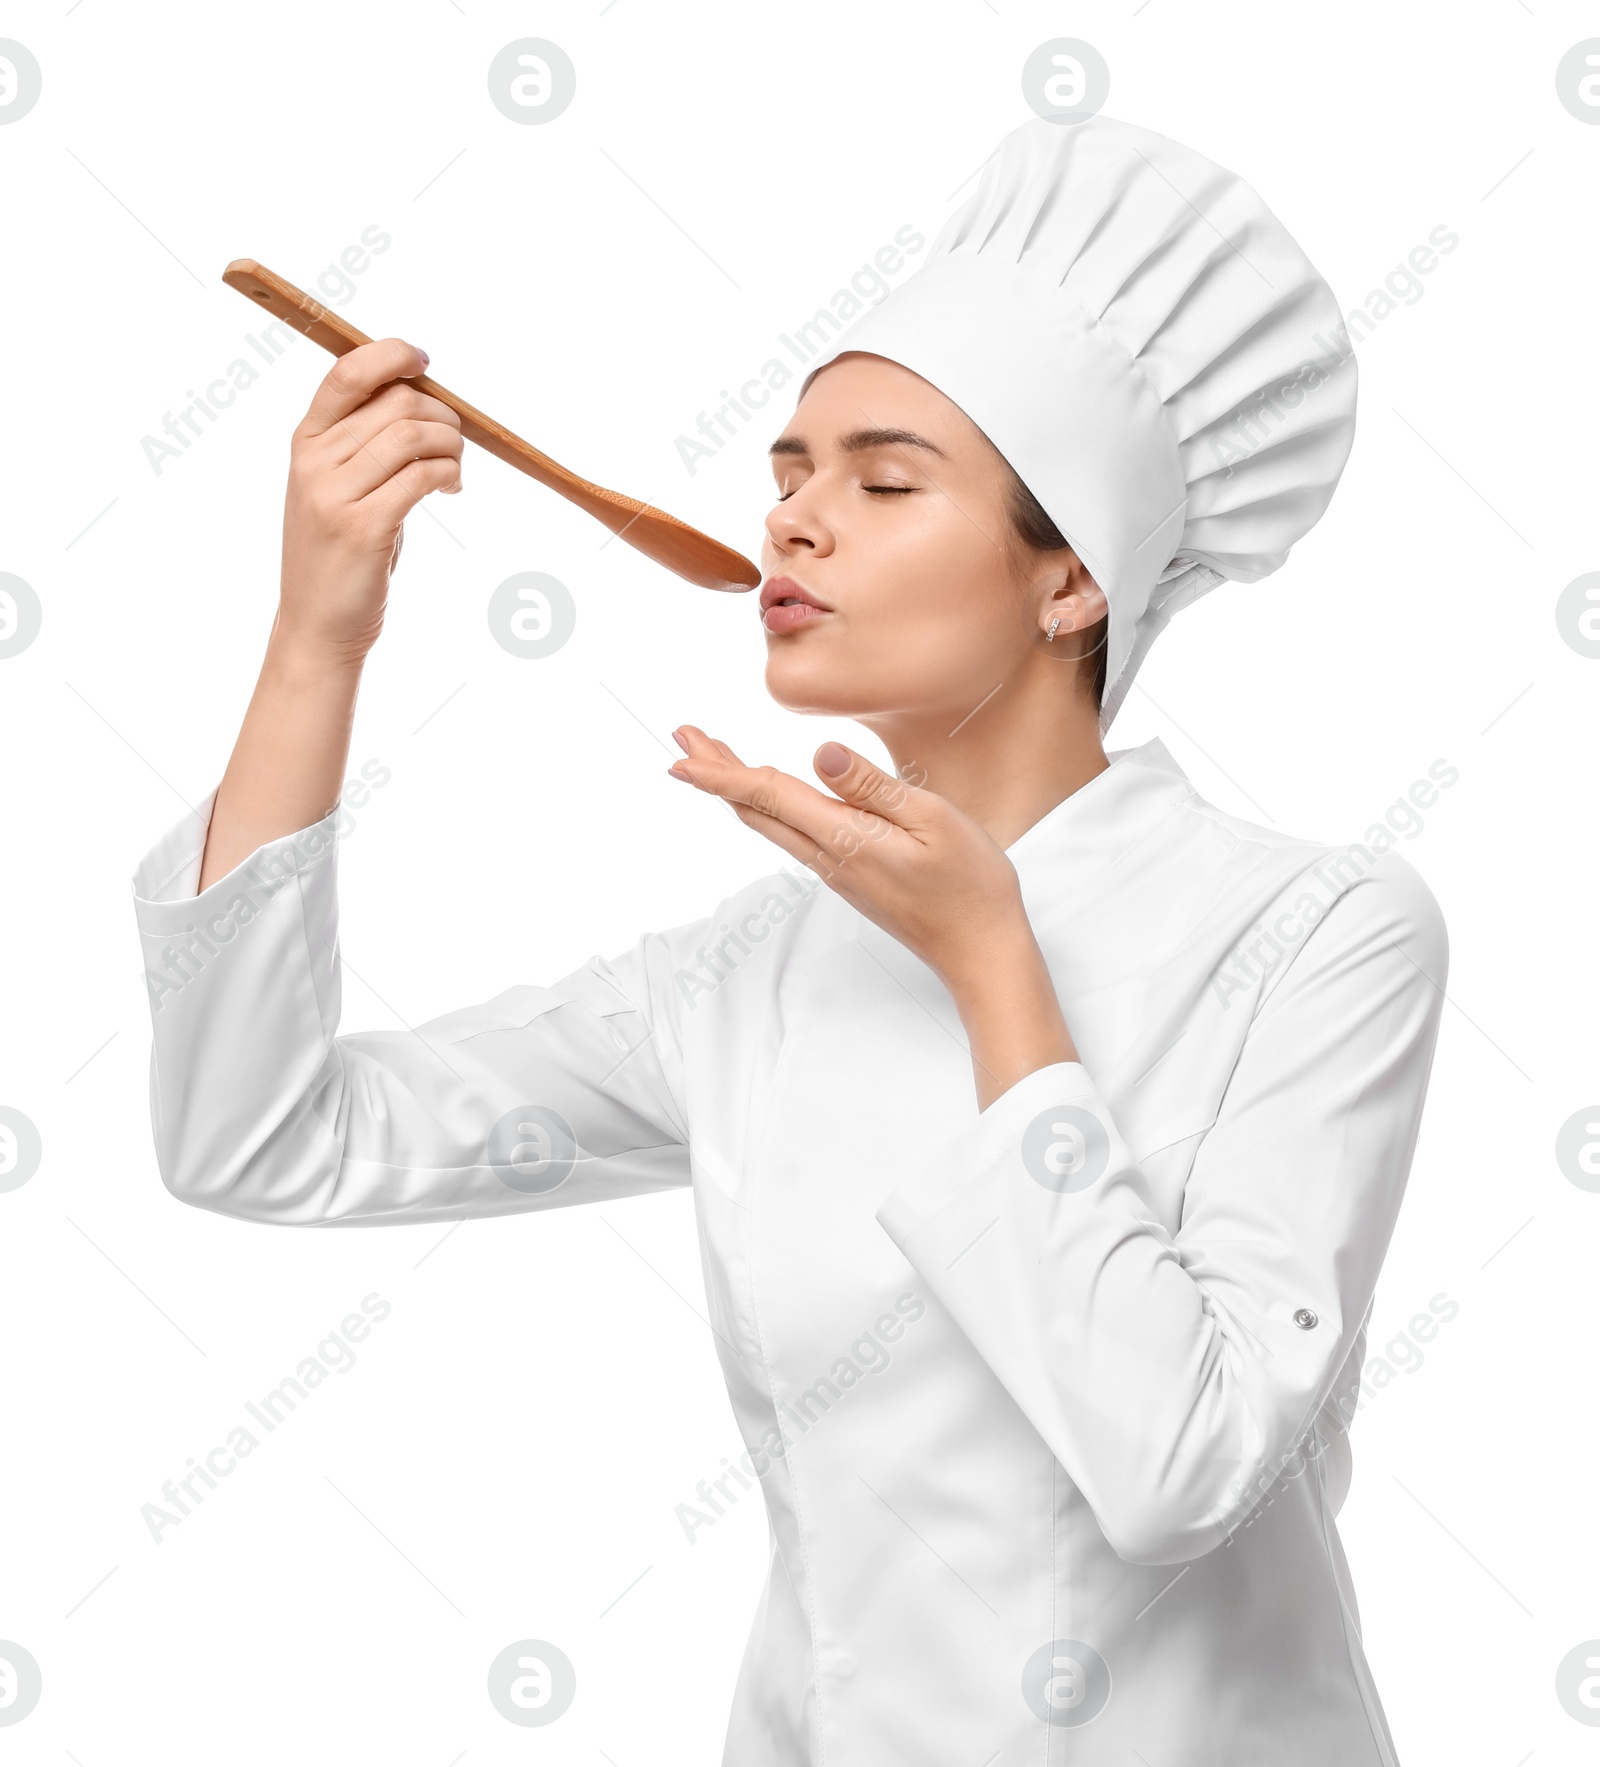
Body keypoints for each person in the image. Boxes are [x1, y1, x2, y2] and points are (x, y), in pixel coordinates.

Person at [132, 113, 1445, 1764]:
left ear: (1072, 584)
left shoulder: (1318, 930)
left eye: (886, 480)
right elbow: (262, 1139)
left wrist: (992, 971)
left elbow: (1179, 1467)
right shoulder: (751, 972)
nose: (795, 525)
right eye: (788, 475)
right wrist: (319, 632)